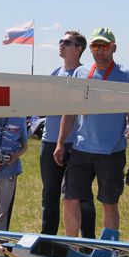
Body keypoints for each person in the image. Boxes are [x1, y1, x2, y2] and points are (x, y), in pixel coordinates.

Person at [55, 27, 129, 236]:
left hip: (112, 152)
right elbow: (69, 112)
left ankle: (108, 249)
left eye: (104, 46)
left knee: (109, 202)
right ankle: (72, 244)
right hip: (81, 149)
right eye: (95, 46)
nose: (99, 50)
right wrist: (60, 143)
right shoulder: (80, 73)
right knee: (69, 198)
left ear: (113, 47)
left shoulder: (128, 75)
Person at [39, 31, 97, 237]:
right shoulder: (55, 73)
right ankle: (48, 239)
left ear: (78, 49)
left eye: (66, 42)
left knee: (80, 195)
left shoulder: (85, 74)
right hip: (50, 140)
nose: (61, 45)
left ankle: (88, 240)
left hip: (78, 144)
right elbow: (44, 105)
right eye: (60, 41)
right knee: (50, 194)